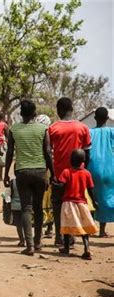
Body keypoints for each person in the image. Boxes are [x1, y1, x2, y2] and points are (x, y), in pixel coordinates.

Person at [4, 100, 53, 255]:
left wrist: (6, 173)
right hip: (40, 172)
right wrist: (53, 173)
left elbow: (10, 153)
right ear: (34, 113)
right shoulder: (43, 128)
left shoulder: (14, 129)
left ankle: (30, 246)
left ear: (20, 113)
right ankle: (38, 243)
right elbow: (47, 152)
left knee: (26, 208)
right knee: (38, 208)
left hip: (22, 172)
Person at [48, 97, 91, 246]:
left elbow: (48, 153)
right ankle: (73, 236)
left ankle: (61, 237)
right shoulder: (82, 128)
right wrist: (84, 172)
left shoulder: (53, 128)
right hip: (78, 177)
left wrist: (51, 173)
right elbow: (87, 154)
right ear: (71, 109)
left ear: (59, 110)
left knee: (59, 206)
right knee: (77, 206)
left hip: (59, 176)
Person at [58, 149, 98, 260]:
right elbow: (90, 190)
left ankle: (66, 248)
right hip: (82, 203)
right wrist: (94, 202)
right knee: (84, 227)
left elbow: (61, 185)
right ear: (83, 161)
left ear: (70, 160)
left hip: (68, 202)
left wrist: (56, 186)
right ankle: (87, 248)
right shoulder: (86, 173)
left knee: (66, 227)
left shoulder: (66, 172)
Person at [87, 107, 114, 237]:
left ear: (95, 118)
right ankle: (102, 230)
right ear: (107, 119)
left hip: (91, 169)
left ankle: (91, 227)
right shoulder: (112, 132)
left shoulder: (89, 132)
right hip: (110, 170)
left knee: (92, 199)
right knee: (107, 198)